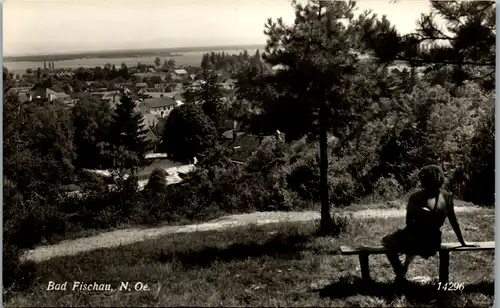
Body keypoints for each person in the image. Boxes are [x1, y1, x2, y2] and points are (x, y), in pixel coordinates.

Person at [381, 165, 478, 282]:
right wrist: (463, 243)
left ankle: (400, 272)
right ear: (440, 179)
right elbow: (454, 222)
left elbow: (409, 223)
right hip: (433, 243)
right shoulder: (447, 197)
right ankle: (403, 268)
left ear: (423, 181)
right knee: (405, 239)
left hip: (416, 240)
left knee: (386, 241)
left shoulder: (415, 197)